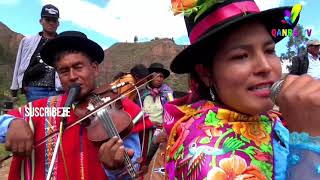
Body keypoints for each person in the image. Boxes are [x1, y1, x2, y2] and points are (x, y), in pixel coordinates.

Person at [164, 0, 320, 179]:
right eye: (241, 56)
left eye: (269, 50)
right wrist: (307, 143)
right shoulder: (208, 159)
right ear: (206, 73)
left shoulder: (268, 118)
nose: (265, 66)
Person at [2, 31, 153, 180]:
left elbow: (133, 169)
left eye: (78, 67)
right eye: (64, 71)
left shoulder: (124, 111)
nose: (72, 76)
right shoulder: (47, 107)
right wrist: (12, 123)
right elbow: (4, 120)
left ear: (94, 68)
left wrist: (115, 169)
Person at [10, 4, 62, 102]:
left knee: (56, 117)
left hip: (58, 90)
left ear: (58, 23)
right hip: (35, 89)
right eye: (48, 19)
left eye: (54, 20)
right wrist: (15, 87)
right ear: (41, 21)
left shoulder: (63, 42)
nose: (51, 23)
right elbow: (19, 63)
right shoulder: (28, 41)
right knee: (36, 117)